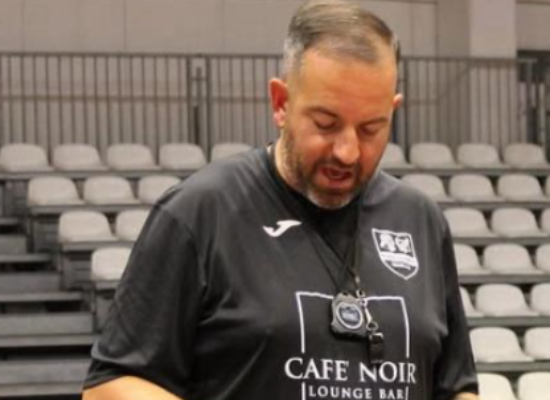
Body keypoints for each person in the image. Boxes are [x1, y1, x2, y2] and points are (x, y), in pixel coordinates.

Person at [82, 1, 479, 399]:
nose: (348, 152)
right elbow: (108, 388)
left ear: (393, 111)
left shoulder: (421, 220)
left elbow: (457, 387)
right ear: (281, 103)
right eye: (325, 124)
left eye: (370, 129)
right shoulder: (200, 213)